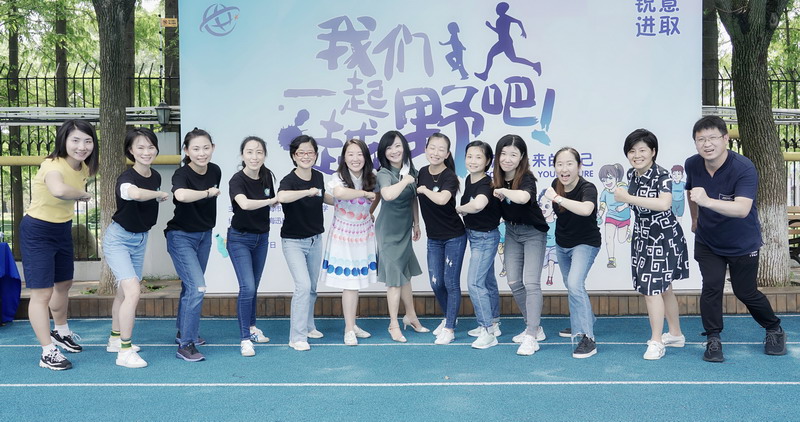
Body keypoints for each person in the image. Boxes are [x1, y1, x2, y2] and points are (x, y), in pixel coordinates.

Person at [686, 115, 786, 362]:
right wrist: (695, 218)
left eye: (712, 138)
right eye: (701, 139)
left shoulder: (743, 167)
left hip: (742, 242)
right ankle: (713, 338)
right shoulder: (692, 164)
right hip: (708, 240)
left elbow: (742, 209)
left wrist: (708, 201)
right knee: (711, 287)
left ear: (725, 139)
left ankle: (773, 328)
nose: (707, 144)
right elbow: (691, 192)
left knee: (745, 292)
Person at [21, 119, 98, 370]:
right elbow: (58, 189)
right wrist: (83, 194)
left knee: (64, 283)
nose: (81, 146)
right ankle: (47, 352)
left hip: (62, 228)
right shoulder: (52, 165)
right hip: (38, 230)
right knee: (41, 293)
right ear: (64, 140)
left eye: (87, 141)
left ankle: (61, 331)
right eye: (75, 140)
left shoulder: (83, 167)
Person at [613, 129, 688, 360]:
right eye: (632, 151)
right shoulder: (632, 174)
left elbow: (664, 204)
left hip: (662, 236)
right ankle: (675, 334)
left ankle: (656, 341)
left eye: (642, 150)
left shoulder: (662, 175)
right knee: (664, 288)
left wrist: (627, 198)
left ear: (653, 151)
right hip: (643, 234)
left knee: (651, 289)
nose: (637, 155)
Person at [103, 127, 169, 368]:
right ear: (130, 150)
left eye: (151, 147)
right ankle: (125, 351)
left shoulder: (155, 176)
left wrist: (156, 192)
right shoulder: (125, 178)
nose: (146, 152)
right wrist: (158, 194)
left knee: (123, 292)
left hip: (140, 239)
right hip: (118, 239)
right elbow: (134, 194)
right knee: (133, 292)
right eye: (140, 147)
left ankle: (114, 339)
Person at [166, 128, 221, 362]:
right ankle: (186, 345)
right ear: (186, 151)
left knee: (190, 287)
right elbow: (181, 196)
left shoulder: (215, 170)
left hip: (204, 235)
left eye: (206, 148)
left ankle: (183, 332)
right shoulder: (181, 174)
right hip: (181, 237)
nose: (201, 153)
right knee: (197, 287)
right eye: (196, 149)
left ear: (213, 148)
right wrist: (207, 192)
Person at [492, 134, 549, 356]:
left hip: (533, 232)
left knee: (531, 283)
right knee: (514, 281)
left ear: (521, 157)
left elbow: (524, 198)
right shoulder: (496, 178)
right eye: (503, 153)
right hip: (512, 231)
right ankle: (533, 327)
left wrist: (503, 191)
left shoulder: (526, 178)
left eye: (513, 154)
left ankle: (531, 335)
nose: (507, 159)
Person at [277, 135, 334, 351]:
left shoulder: (318, 176)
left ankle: (309, 326)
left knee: (312, 288)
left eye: (310, 152)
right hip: (293, 241)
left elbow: (323, 196)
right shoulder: (289, 180)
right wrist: (307, 192)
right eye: (301, 152)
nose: (306, 156)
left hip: (315, 239)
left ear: (316, 155)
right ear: (294, 156)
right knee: (303, 286)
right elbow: (282, 197)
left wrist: (344, 200)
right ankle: (297, 337)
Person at [320, 139, 379, 346]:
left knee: (356, 283)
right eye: (350, 154)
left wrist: (370, 212)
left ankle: (352, 324)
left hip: (363, 234)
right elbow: (339, 193)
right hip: (343, 235)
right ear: (344, 157)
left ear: (366, 157)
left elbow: (378, 195)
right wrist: (364, 193)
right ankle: (348, 329)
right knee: (350, 284)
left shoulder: (371, 176)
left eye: (359, 154)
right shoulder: (338, 177)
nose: (355, 158)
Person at [544, 147, 601, 358]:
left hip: (585, 243)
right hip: (562, 244)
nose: (564, 169)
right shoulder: (556, 185)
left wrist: (557, 198)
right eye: (559, 164)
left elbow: (586, 209)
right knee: (571, 285)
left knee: (575, 284)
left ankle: (588, 338)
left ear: (579, 166)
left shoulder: (588, 187)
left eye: (569, 164)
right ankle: (581, 322)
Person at [226, 136, 278, 357]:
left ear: (264, 155)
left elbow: (273, 199)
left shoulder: (267, 176)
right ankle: (245, 339)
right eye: (249, 152)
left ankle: (252, 328)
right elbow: (245, 204)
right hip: (239, 239)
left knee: (253, 286)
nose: (254, 157)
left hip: (261, 238)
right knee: (247, 287)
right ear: (242, 155)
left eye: (259, 152)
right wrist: (271, 201)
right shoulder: (237, 180)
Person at [374, 130, 428, 342]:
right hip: (388, 231)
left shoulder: (411, 170)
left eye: (398, 146)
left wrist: (416, 222)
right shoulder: (384, 173)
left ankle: (411, 316)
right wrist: (405, 181)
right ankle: (393, 324)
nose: (394, 151)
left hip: (405, 228)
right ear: (383, 152)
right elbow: (388, 195)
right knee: (395, 280)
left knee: (405, 274)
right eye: (389, 148)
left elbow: (413, 198)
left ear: (404, 147)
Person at [417, 133, 467, 345]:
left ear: (447, 154)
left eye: (441, 149)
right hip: (433, 238)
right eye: (432, 148)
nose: (435, 153)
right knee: (436, 283)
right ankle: (449, 317)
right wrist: (415, 224)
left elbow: (442, 199)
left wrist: (424, 189)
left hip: (454, 236)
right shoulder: (421, 172)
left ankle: (450, 328)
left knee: (450, 282)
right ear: (426, 149)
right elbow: (415, 201)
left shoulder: (450, 177)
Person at [456, 141, 503, 349]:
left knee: (475, 283)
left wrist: (459, 209)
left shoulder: (486, 184)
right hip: (475, 236)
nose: (473, 161)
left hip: (485, 238)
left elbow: (479, 204)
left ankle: (487, 331)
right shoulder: (469, 179)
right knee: (488, 281)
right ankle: (494, 322)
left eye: (478, 157)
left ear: (487, 161)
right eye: (469, 156)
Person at [596, 163, 631, 268]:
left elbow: (631, 200)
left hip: (624, 218)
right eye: (604, 180)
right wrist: (599, 215)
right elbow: (602, 206)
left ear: (616, 177)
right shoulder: (604, 193)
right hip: (610, 217)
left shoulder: (623, 188)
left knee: (621, 239)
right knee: (608, 239)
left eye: (610, 178)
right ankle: (611, 259)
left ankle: (628, 234)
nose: (607, 182)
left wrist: (623, 206)